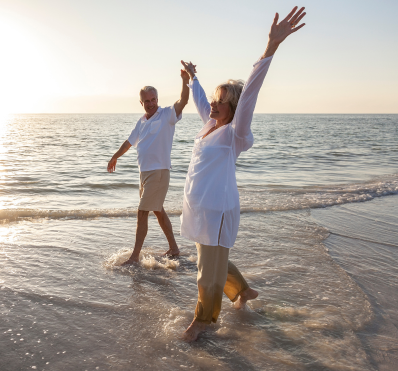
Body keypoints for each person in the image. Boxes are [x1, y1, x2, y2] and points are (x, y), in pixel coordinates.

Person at [179, 7, 307, 342]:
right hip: (201, 209)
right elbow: (200, 100)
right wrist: (193, 78)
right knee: (211, 259)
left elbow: (249, 94)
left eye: (221, 101)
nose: (213, 104)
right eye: (215, 100)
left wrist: (270, 48)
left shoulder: (235, 133)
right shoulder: (209, 126)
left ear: (234, 107)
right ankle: (243, 291)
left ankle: (203, 321)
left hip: (218, 209)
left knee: (207, 270)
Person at [106, 69, 189, 265]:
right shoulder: (141, 121)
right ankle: (174, 249)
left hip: (159, 172)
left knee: (142, 212)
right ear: (141, 103)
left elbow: (183, 101)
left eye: (153, 99)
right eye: (147, 101)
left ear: (157, 99)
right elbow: (129, 142)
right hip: (144, 174)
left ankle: (134, 257)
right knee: (158, 211)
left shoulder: (167, 115)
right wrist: (114, 157)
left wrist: (185, 81)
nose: (151, 103)